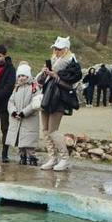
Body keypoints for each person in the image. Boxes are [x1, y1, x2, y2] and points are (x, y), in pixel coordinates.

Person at [37, 36, 82, 172]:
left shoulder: (71, 63)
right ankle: (52, 158)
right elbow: (40, 81)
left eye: (59, 49)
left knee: (53, 130)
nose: (56, 51)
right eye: (55, 48)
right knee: (45, 130)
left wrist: (56, 75)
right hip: (47, 97)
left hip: (59, 99)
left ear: (66, 49)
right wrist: (45, 73)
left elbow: (72, 81)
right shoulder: (53, 60)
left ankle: (64, 158)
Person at [6, 63, 40, 166]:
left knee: (29, 141)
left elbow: (35, 103)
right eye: (19, 76)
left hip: (28, 119)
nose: (21, 78)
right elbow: (11, 102)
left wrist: (24, 113)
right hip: (17, 118)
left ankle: (32, 157)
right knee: (19, 140)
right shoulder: (16, 89)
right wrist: (13, 112)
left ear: (28, 76)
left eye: (23, 76)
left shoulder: (34, 88)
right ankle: (22, 156)